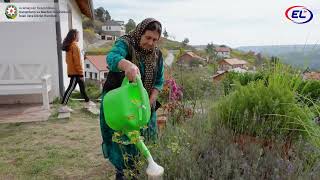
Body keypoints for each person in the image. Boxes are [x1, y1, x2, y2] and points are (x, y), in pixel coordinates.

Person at [100, 18, 164, 179]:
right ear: (139, 33)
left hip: (144, 106)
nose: (150, 43)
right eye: (147, 38)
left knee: (146, 140)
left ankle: (143, 170)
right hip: (120, 105)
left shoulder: (157, 55)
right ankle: (122, 173)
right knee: (122, 142)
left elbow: (159, 81)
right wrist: (126, 65)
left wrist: (150, 102)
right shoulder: (126, 43)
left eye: (155, 40)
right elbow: (112, 57)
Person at [59, 29, 95, 113]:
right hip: (76, 72)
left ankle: (87, 102)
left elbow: (68, 61)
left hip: (73, 71)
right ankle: (63, 106)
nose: (79, 37)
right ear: (74, 36)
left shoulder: (70, 46)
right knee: (71, 88)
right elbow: (77, 62)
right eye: (78, 35)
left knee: (82, 87)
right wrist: (80, 72)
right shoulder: (74, 46)